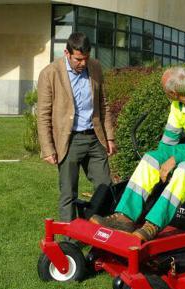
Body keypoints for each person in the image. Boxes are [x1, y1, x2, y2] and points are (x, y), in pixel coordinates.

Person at [91, 67, 185, 241]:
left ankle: (153, 224)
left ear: (172, 92)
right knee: (151, 159)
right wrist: (162, 162)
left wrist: (174, 159)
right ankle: (125, 217)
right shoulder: (179, 105)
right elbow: (168, 142)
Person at [37, 32, 117, 223]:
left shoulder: (95, 67)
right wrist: (48, 148)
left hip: (94, 137)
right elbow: (43, 114)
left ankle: (102, 231)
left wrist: (110, 137)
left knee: (106, 187)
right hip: (69, 140)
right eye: (78, 59)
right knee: (68, 193)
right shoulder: (50, 73)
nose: (83, 63)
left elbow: (103, 103)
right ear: (67, 53)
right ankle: (69, 243)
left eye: (86, 58)